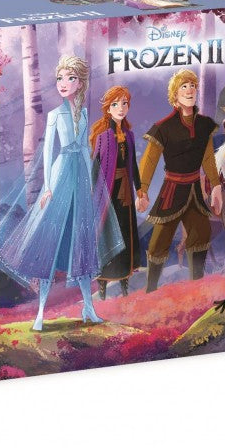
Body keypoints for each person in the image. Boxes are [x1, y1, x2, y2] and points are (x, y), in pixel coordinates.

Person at [0, 56, 122, 331]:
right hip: (61, 174)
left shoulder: (84, 114)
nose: (63, 83)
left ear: (80, 83)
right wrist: (49, 187)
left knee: (82, 243)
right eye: (60, 78)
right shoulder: (54, 115)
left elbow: (86, 151)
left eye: (70, 78)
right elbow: (48, 152)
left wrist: (90, 183)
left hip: (80, 179)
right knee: (48, 246)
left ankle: (88, 307)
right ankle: (40, 312)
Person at [137, 69, 222, 292]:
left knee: (201, 234)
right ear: (175, 94)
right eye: (184, 86)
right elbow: (149, 161)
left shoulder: (204, 124)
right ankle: (151, 290)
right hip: (172, 190)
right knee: (158, 241)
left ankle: (197, 287)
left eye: (192, 85)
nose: (190, 90)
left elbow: (208, 158)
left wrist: (215, 186)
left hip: (194, 190)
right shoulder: (163, 127)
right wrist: (142, 191)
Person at [89, 86, 142, 299]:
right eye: (115, 104)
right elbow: (95, 167)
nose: (120, 108)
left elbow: (133, 165)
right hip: (108, 196)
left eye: (124, 103)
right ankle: (102, 285)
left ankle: (125, 283)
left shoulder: (129, 136)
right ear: (108, 109)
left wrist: (140, 188)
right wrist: (93, 195)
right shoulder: (103, 138)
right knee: (108, 236)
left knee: (126, 235)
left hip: (126, 193)